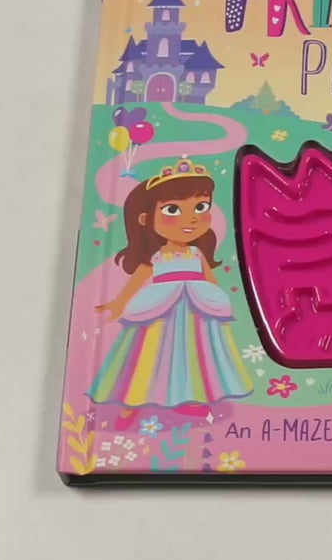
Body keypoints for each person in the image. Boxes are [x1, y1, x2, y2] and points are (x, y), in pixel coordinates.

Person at [90, 159, 252, 415]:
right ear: (146, 218)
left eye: (201, 207)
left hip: (197, 311)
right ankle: (133, 403)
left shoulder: (197, 254)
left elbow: (211, 280)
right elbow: (135, 283)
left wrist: (220, 304)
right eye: (173, 210)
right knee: (150, 354)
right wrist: (118, 303)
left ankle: (189, 398)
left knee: (192, 355)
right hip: (160, 311)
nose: (191, 218)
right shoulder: (157, 256)